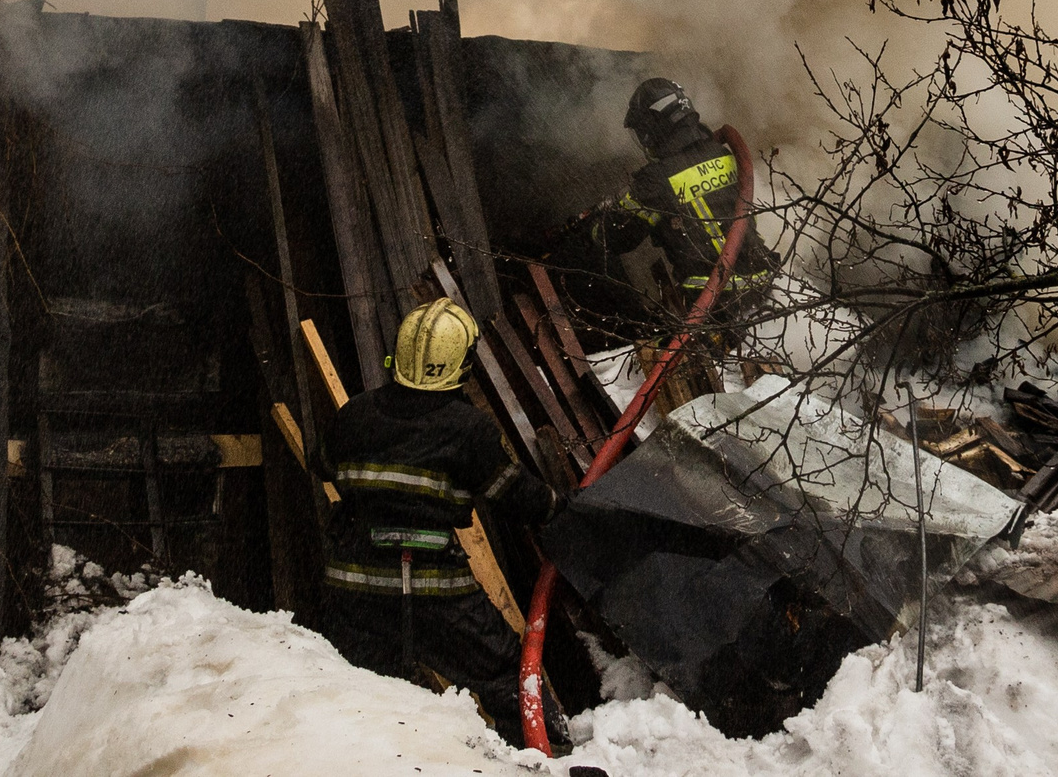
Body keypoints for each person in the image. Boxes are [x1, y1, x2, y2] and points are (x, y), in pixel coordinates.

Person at [316, 299, 560, 737]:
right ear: (462, 363)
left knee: (357, 692)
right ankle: (547, 757)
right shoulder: (468, 429)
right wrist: (557, 505)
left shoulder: (354, 414)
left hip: (353, 588)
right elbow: (515, 497)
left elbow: (321, 463)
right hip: (434, 590)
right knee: (507, 674)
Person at [589, 77, 771, 315]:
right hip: (765, 286)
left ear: (654, 126)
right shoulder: (723, 153)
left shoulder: (657, 180)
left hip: (714, 307)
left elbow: (613, 238)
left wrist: (602, 221)